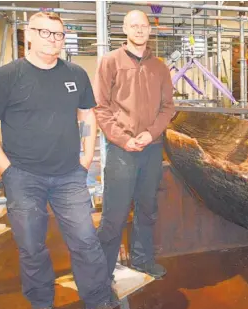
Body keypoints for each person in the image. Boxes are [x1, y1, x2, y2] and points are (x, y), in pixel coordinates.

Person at [0, 12, 118, 309]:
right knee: (31, 246)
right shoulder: (7, 76)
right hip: (23, 178)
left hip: (69, 176)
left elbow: (87, 115)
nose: (53, 39)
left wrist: (86, 157)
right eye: (46, 32)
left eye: (59, 34)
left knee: (85, 241)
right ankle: (41, 303)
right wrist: (6, 170)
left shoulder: (76, 74)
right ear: (29, 35)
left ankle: (98, 302)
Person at [93, 10, 175, 281]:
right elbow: (101, 108)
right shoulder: (110, 62)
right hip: (121, 150)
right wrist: (123, 138)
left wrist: (151, 135)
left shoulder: (160, 67)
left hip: (151, 149)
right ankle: (102, 272)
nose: (139, 30)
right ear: (125, 29)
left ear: (150, 30)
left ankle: (142, 260)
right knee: (114, 213)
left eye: (144, 26)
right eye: (134, 26)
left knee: (147, 208)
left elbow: (167, 108)